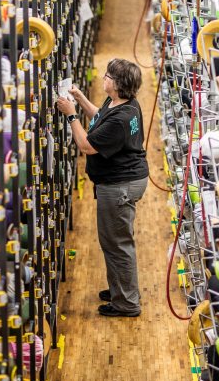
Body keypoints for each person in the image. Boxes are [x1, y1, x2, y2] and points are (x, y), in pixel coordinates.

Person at [56, 58, 149, 317]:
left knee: (117, 243)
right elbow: (99, 118)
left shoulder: (121, 118)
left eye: (108, 76)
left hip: (120, 185)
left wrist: (71, 114)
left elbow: (87, 146)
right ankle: (121, 289)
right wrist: (80, 98)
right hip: (123, 181)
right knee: (116, 242)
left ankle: (127, 303)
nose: (103, 78)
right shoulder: (123, 104)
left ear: (118, 84)